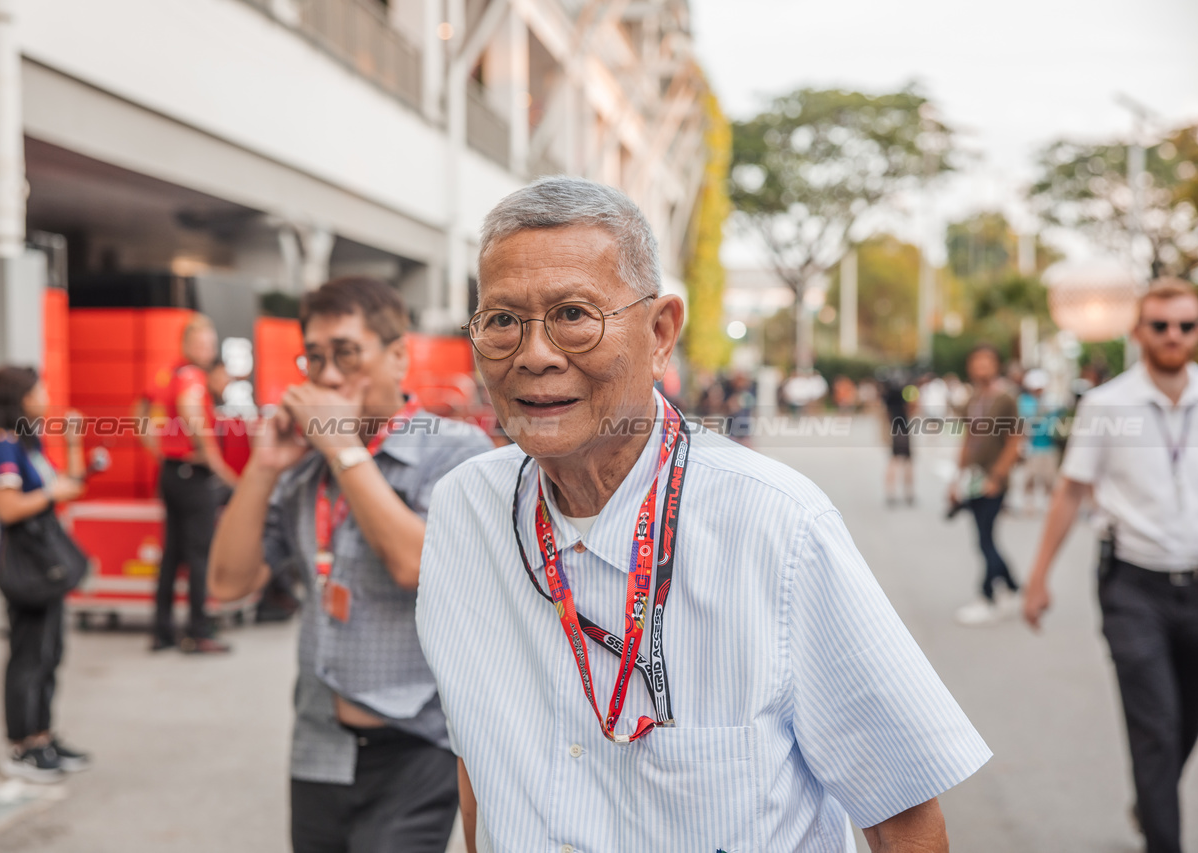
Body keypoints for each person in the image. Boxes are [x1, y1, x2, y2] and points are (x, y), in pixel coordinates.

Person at [415, 177, 990, 853]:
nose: (535, 354)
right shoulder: (463, 512)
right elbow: (482, 766)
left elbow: (905, 822)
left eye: (574, 314)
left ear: (661, 332)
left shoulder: (779, 526)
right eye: (502, 320)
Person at [208, 277, 492, 853]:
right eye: (314, 358)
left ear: (398, 355)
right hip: (318, 744)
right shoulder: (300, 466)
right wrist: (264, 469)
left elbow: (415, 563)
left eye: (346, 355)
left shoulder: (454, 451)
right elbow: (228, 585)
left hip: (419, 743)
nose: (329, 377)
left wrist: (342, 448)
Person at [1024, 279, 1198, 853]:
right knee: (1155, 726)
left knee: (1186, 719)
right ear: (1139, 332)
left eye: (1184, 325)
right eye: (1160, 325)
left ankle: (1151, 798)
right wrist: (1038, 579)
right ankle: (1163, 837)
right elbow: (1070, 492)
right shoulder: (1105, 406)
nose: (1172, 335)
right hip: (1134, 587)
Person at [0, 366, 92, 783]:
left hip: (46, 559)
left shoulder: (28, 441)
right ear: (19, 398)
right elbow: (8, 508)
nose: (46, 396)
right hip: (24, 563)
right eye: (39, 391)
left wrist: (74, 441)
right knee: (28, 655)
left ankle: (43, 736)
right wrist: (48, 494)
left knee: (50, 652)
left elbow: (70, 487)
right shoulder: (1, 446)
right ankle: (22, 746)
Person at [150, 314, 238, 654]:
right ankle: (199, 631)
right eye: (202, 343)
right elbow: (190, 413)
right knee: (199, 554)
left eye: (210, 344)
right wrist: (213, 461)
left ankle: (163, 631)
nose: (206, 350)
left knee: (172, 554)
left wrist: (159, 450)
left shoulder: (172, 374)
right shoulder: (193, 378)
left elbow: (144, 409)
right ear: (187, 345)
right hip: (190, 476)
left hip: (172, 473)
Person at [948, 343, 1022, 626]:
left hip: (993, 481)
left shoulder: (1005, 398)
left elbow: (1016, 440)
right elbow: (968, 439)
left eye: (986, 362)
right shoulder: (973, 398)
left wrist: (997, 476)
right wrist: (957, 478)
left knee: (985, 538)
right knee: (983, 537)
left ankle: (989, 595)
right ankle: (1012, 587)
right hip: (973, 479)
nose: (981, 368)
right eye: (976, 362)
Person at [1016, 368, 1058, 515]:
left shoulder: (1051, 400)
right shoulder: (1024, 401)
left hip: (1049, 445)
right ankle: (1029, 502)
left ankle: (1049, 502)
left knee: (1049, 477)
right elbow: (1023, 422)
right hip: (1032, 445)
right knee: (1030, 477)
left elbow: (1058, 418)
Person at [882, 370, 915, 507]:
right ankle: (909, 493)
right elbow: (913, 407)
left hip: (893, 428)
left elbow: (884, 413)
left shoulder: (887, 395)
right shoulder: (906, 392)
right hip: (904, 428)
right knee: (907, 461)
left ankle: (891, 493)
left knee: (893, 460)